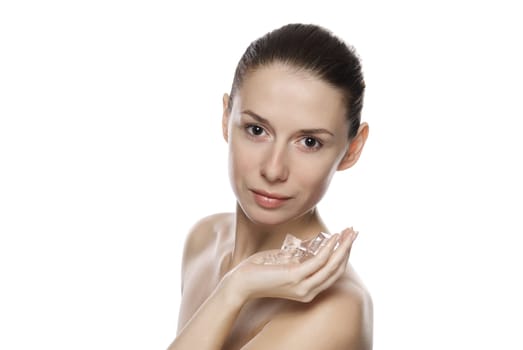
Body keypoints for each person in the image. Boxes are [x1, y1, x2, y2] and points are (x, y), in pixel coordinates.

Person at [168, 23, 372, 350]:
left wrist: (234, 290)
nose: (274, 169)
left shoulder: (336, 309)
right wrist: (236, 286)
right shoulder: (204, 240)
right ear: (226, 118)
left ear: (352, 148)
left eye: (309, 142)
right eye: (256, 129)